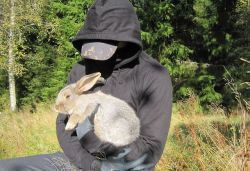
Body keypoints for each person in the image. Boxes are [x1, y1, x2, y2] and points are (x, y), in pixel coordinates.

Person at [0, 0, 172, 170]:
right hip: (81, 162)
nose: (95, 55)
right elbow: (64, 127)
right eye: (93, 41)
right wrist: (92, 164)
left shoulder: (153, 76)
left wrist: (93, 142)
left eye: (108, 42)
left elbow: (149, 151)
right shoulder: (81, 70)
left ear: (126, 37)